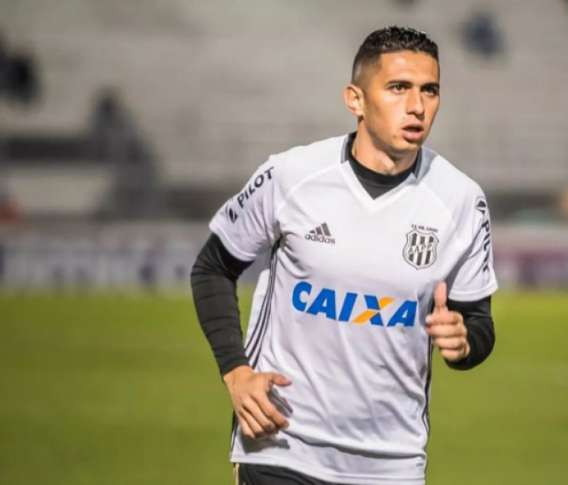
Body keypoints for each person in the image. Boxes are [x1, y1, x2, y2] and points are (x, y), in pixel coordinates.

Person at [191, 26, 497, 485]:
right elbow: (213, 267)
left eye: (429, 91)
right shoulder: (292, 175)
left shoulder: (460, 200)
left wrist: (464, 342)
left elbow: (479, 322)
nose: (417, 106)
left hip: (390, 464)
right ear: (355, 100)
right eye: (398, 88)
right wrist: (236, 372)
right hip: (281, 447)